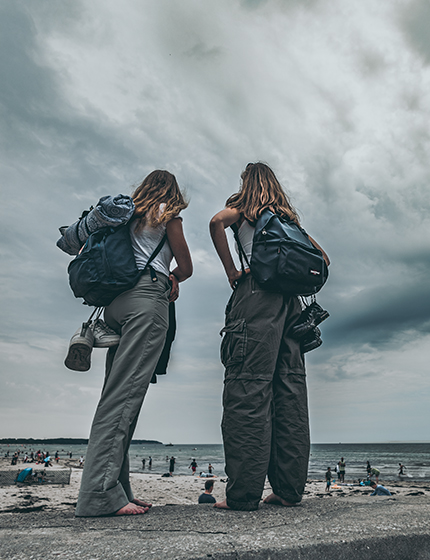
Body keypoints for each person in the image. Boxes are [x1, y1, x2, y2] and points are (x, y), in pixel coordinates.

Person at [209, 162, 330, 511]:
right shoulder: (289, 220)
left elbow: (217, 222)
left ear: (248, 184)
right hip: (291, 307)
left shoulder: (246, 209)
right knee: (290, 393)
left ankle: (244, 494)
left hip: (255, 299)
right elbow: (322, 258)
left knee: (248, 389)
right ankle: (288, 490)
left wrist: (233, 269)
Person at [75, 170, 193, 518]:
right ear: (171, 192)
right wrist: (174, 277)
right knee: (124, 399)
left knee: (117, 396)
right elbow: (185, 267)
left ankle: (117, 487)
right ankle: (98, 495)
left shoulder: (122, 216)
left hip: (114, 305)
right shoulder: (168, 216)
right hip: (146, 299)